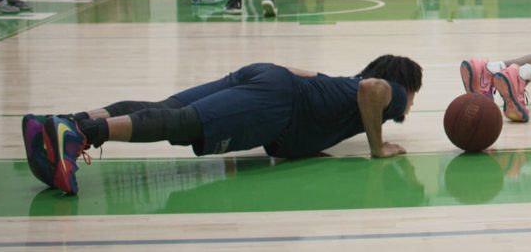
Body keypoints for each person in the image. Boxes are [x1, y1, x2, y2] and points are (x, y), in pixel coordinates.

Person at [21, 55, 422, 195]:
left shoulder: (339, 88)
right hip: (278, 99)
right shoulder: (392, 92)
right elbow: (373, 89)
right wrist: (378, 147)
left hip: (266, 78)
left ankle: (59, 124)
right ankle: (78, 136)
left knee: (165, 108)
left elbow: (301, 79)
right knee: (182, 124)